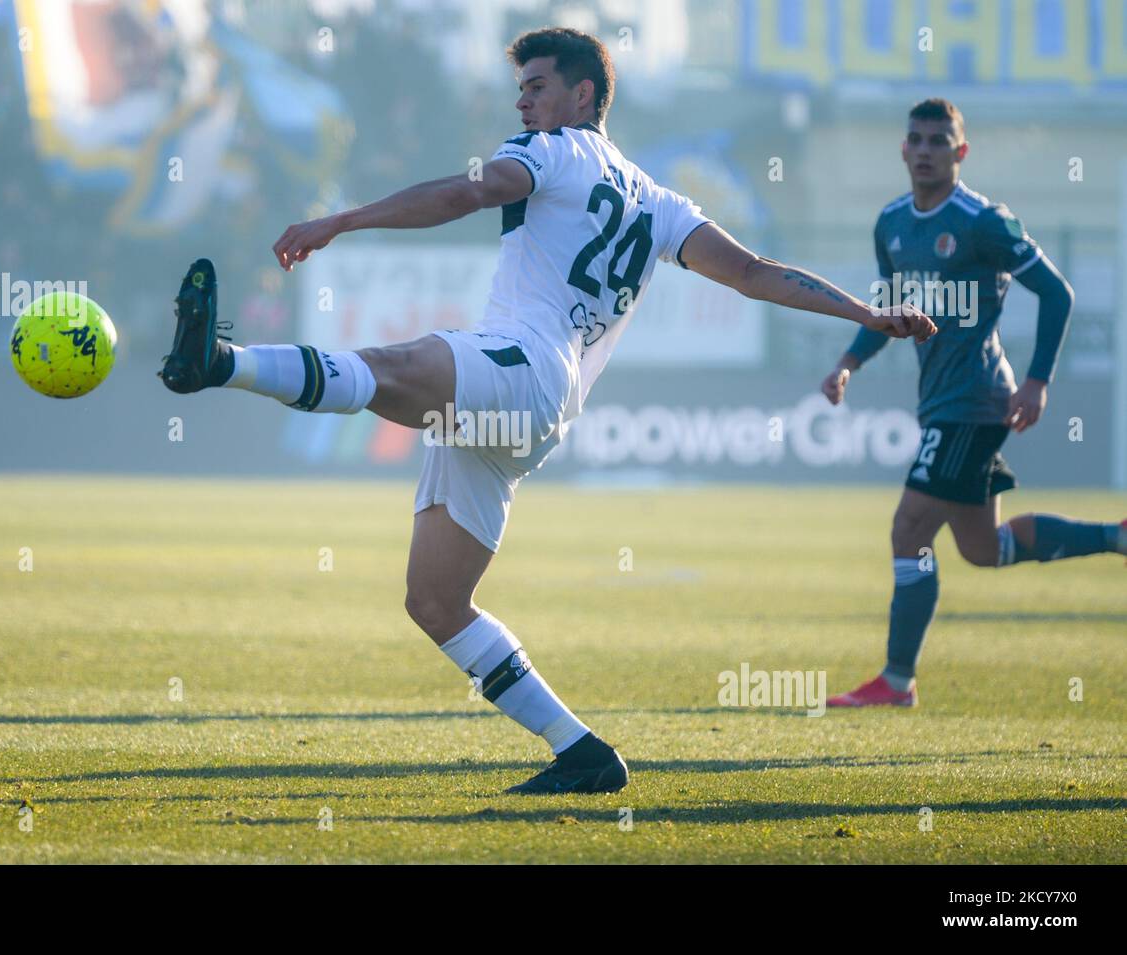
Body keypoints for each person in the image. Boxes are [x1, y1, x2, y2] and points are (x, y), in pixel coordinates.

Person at [160, 28, 935, 791]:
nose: (523, 101)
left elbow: (468, 191)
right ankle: (583, 751)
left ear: (582, 94)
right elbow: (754, 272)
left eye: (536, 86)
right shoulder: (660, 201)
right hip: (538, 413)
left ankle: (219, 364)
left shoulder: (556, 150)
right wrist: (866, 314)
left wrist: (341, 220)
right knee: (435, 601)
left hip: (521, 368)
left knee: (394, 364)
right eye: (522, 89)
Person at [822, 98, 1125, 709]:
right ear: (903, 150)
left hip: (975, 400)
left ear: (961, 152)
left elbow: (1057, 294)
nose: (927, 150)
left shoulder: (985, 221)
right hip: (940, 402)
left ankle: (896, 681)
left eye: (940, 141)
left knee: (910, 528)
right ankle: (1116, 537)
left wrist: (1037, 381)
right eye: (917, 139)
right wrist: (847, 364)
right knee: (983, 550)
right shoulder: (891, 224)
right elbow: (889, 311)